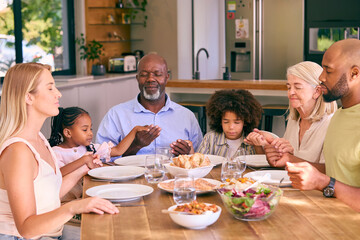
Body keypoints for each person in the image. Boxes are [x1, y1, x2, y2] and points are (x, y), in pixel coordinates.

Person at [0, 63, 118, 239]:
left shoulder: (39, 138)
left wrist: (84, 168)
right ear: (28, 97)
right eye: (50, 88)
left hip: (51, 233)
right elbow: (26, 228)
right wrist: (73, 207)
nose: (58, 93)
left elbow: (49, 194)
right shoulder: (18, 151)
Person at [284, 39, 360, 212]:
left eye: (328, 70)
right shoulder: (339, 116)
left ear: (354, 73)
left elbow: (327, 180)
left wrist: (323, 182)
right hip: (328, 217)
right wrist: (291, 160)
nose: (321, 78)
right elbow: (338, 170)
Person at [96, 54, 203, 157]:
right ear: (137, 78)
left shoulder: (187, 116)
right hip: (132, 175)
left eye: (157, 74)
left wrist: (187, 155)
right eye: (144, 74)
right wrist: (135, 146)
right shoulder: (116, 115)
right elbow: (101, 159)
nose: (150, 79)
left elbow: (199, 158)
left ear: (167, 78)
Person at [245, 61, 337, 168]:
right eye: (289, 87)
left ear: (317, 91)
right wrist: (268, 144)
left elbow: (329, 171)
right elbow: (285, 162)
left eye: (297, 87)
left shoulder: (331, 125)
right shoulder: (294, 121)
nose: (291, 92)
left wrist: (290, 158)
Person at [49, 106, 148, 202]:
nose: (90, 133)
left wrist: (134, 131)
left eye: (90, 129)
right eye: (85, 130)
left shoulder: (91, 148)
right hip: (68, 202)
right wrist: (84, 160)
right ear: (68, 133)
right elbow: (59, 173)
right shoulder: (56, 152)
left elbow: (118, 150)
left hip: (90, 196)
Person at [194, 89, 263, 158]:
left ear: (245, 121)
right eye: (226, 122)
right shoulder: (210, 138)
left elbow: (261, 163)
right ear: (219, 121)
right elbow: (200, 162)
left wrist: (258, 146)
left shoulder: (252, 140)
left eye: (237, 122)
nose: (231, 127)